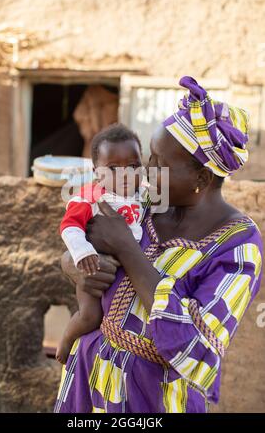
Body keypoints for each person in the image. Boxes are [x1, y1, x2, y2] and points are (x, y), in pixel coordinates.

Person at [54, 76, 263, 413]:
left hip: (156, 399)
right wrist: (72, 265)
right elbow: (83, 235)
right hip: (88, 380)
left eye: (159, 163)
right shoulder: (146, 202)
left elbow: (198, 348)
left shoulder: (239, 247)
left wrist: (127, 250)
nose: (147, 172)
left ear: (201, 178)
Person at [56, 124, 146, 364]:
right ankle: (65, 340)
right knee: (90, 316)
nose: (125, 174)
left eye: (133, 166)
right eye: (114, 168)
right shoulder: (90, 197)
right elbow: (70, 226)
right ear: (97, 172)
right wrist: (83, 253)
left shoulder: (143, 196)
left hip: (127, 273)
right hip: (94, 268)